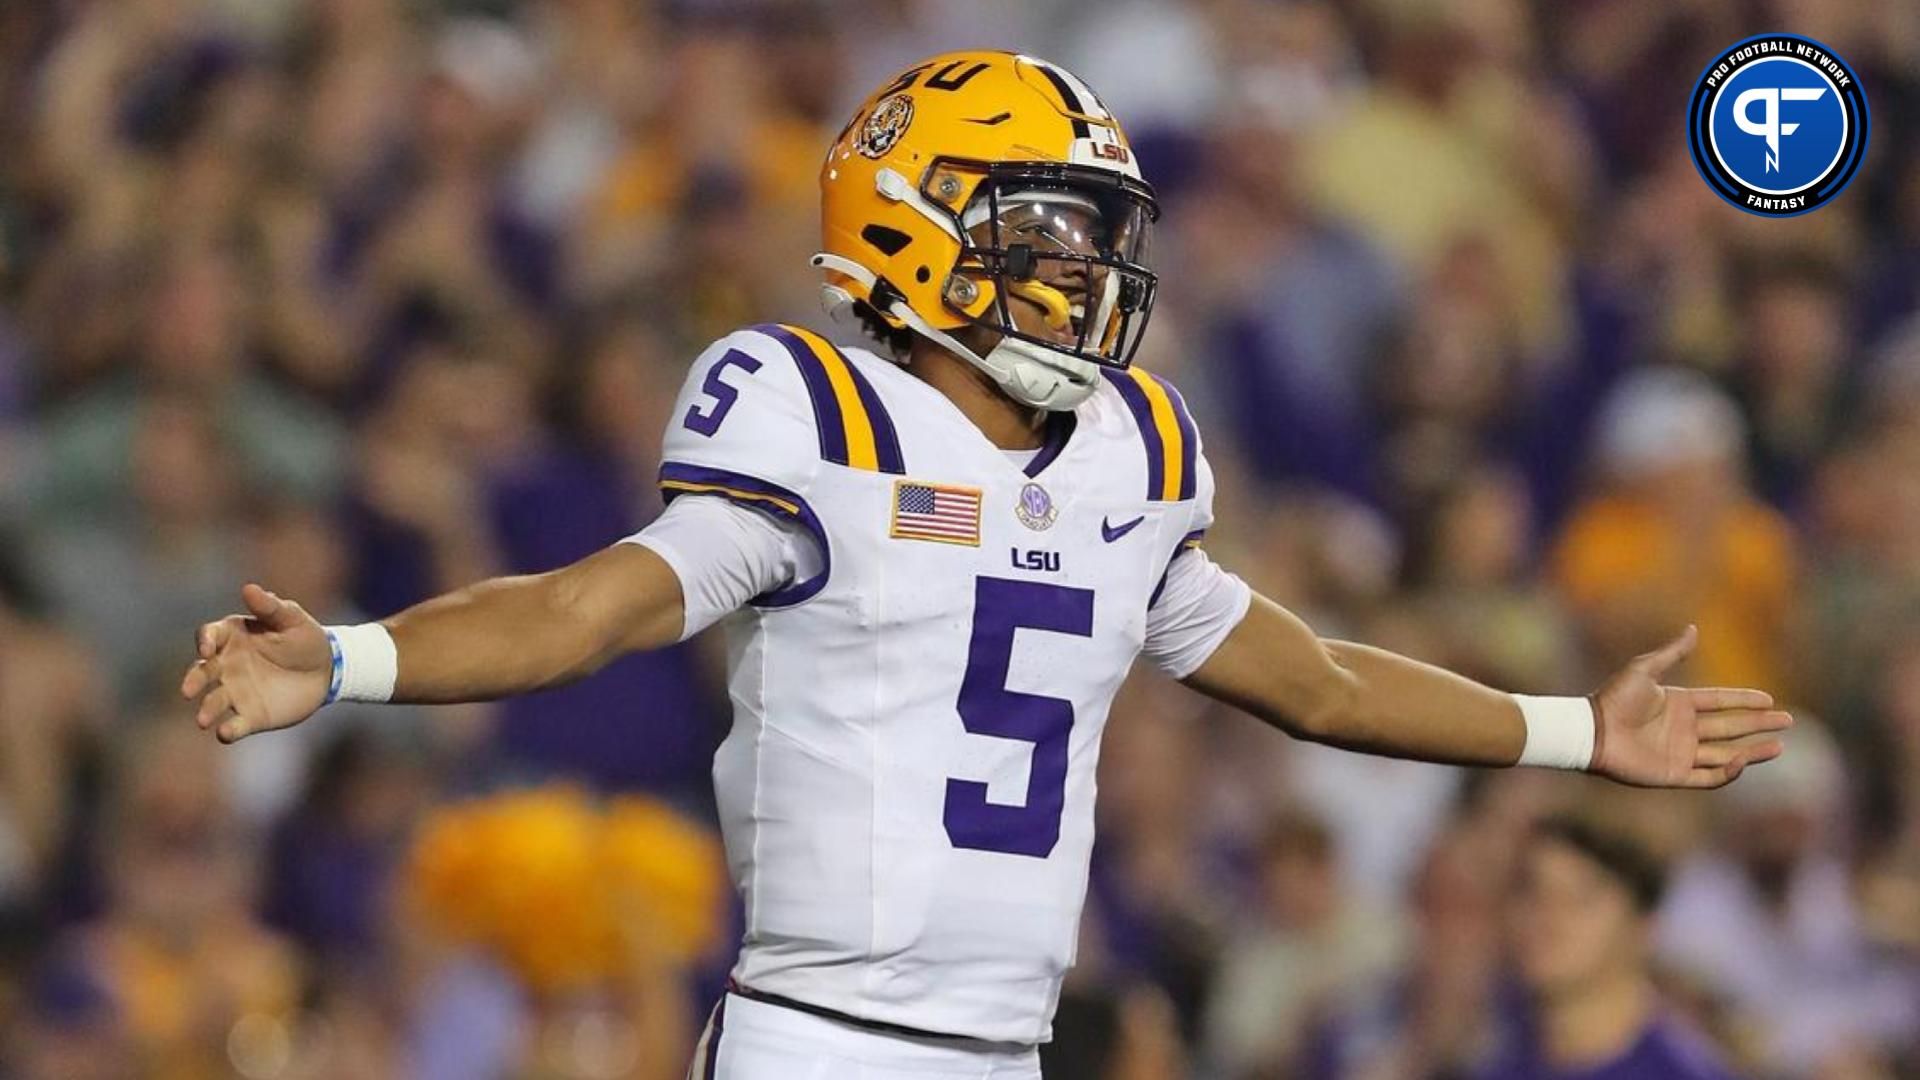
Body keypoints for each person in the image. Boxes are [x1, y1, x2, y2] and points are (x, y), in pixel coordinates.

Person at [180, 51, 1792, 1080]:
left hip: (1010, 1049)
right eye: (1049, 230)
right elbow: (589, 606)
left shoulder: (1132, 452)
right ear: (913, 222)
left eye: (1098, 238)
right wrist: (353, 658)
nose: (1086, 274)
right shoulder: (812, 407)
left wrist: (1582, 732)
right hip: (818, 1043)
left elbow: (1319, 682)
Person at [1485, 815, 1738, 1080]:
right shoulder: (1492, 1048)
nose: (1545, 916)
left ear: (1643, 926)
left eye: (1580, 898)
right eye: (1531, 889)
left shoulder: (1680, 1072)